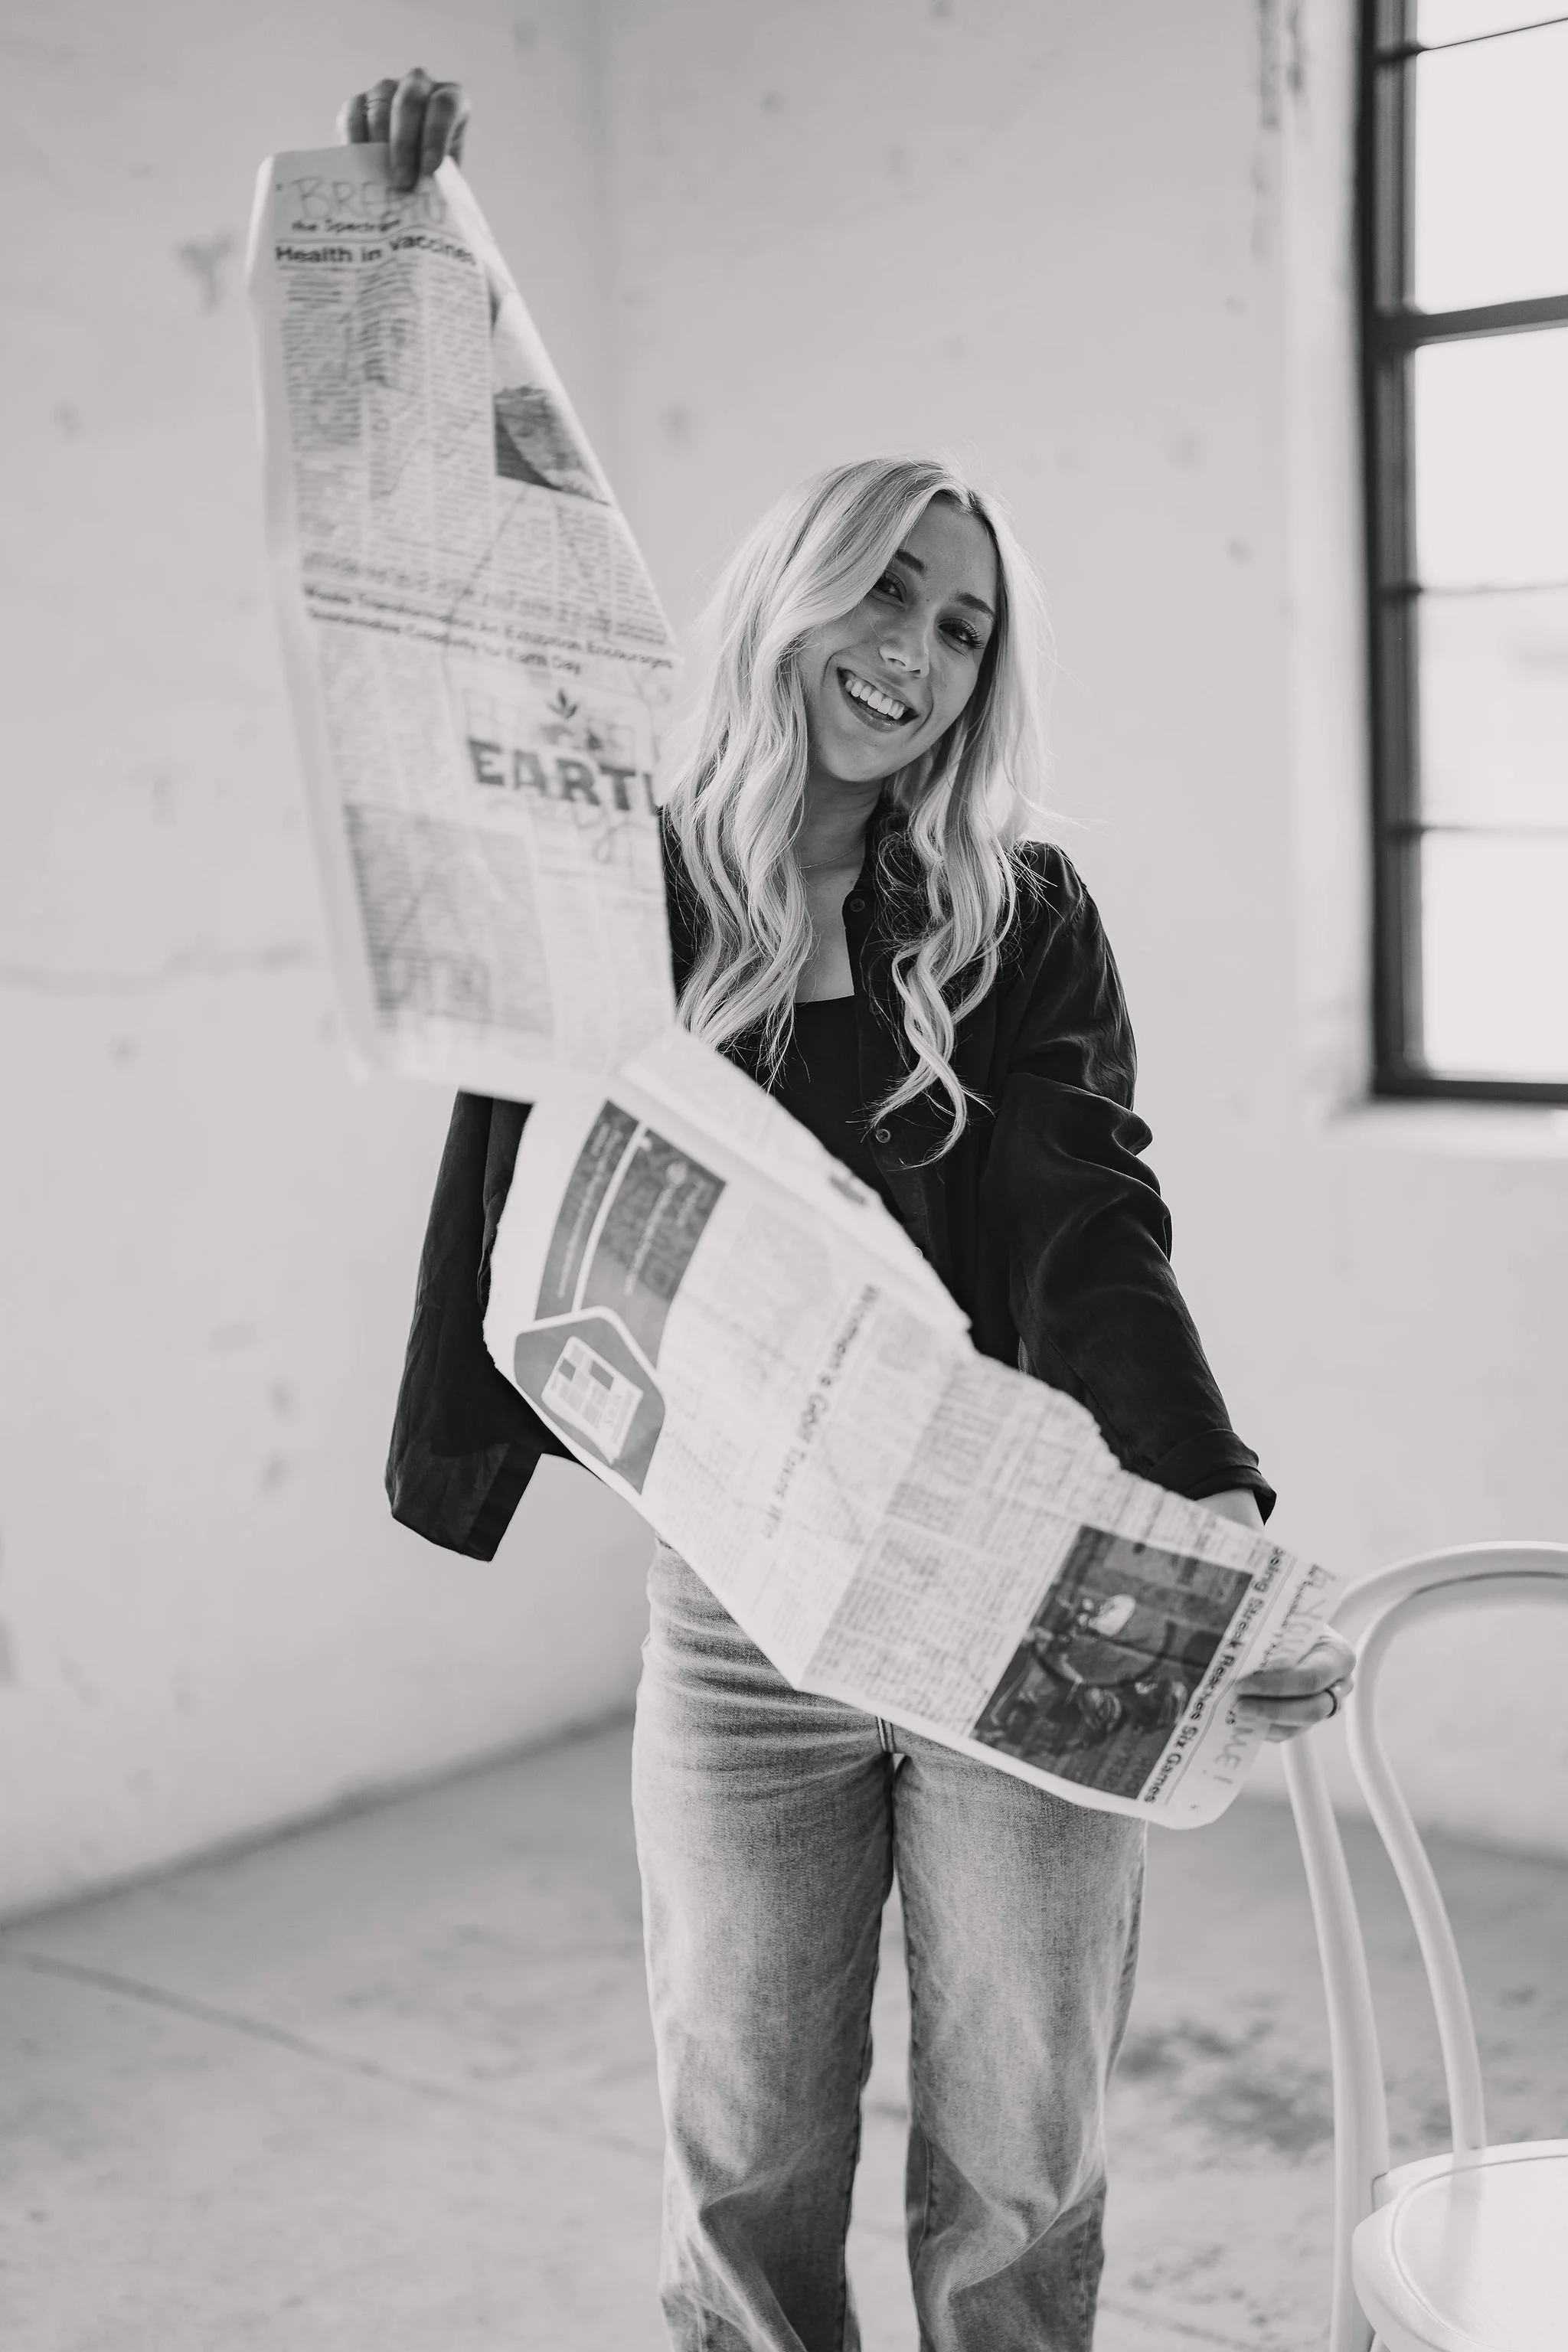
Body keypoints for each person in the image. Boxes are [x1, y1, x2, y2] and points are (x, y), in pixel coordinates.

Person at [357, 70, 1357, 2352]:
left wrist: (1208, 1520)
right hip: (738, 1621)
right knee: (748, 2158)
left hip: (1017, 1598)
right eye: (885, 590)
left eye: (967, 626)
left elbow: (1093, 1222)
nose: (915, 652)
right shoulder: (624, 881)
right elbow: (433, 630)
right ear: (793, 591)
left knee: (1019, 2174)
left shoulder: (1024, 918)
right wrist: (413, 260)